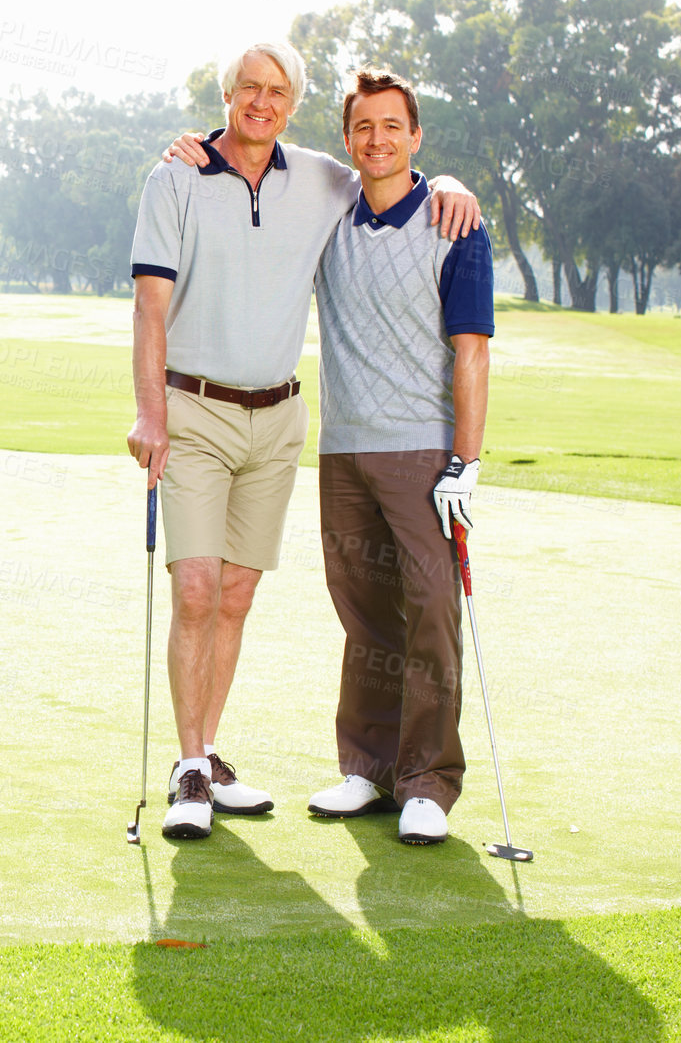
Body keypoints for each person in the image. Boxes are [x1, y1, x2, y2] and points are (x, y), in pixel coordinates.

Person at [127, 43, 480, 840]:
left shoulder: (321, 179)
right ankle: (189, 768)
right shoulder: (176, 176)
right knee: (196, 589)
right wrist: (149, 414)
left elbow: (394, 175)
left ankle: (212, 754)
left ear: (293, 105)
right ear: (224, 95)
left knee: (240, 593)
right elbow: (151, 307)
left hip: (279, 418)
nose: (262, 101)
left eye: (278, 90)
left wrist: (452, 184)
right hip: (195, 411)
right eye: (248, 87)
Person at [303, 69, 493, 845]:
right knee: (365, 614)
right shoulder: (328, 215)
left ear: (415, 136)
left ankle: (427, 782)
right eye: (361, 128)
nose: (376, 139)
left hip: (422, 451)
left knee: (431, 616)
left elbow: (472, 353)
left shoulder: (456, 224)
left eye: (392, 126)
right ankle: (369, 767)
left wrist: (466, 463)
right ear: (347, 140)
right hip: (343, 449)